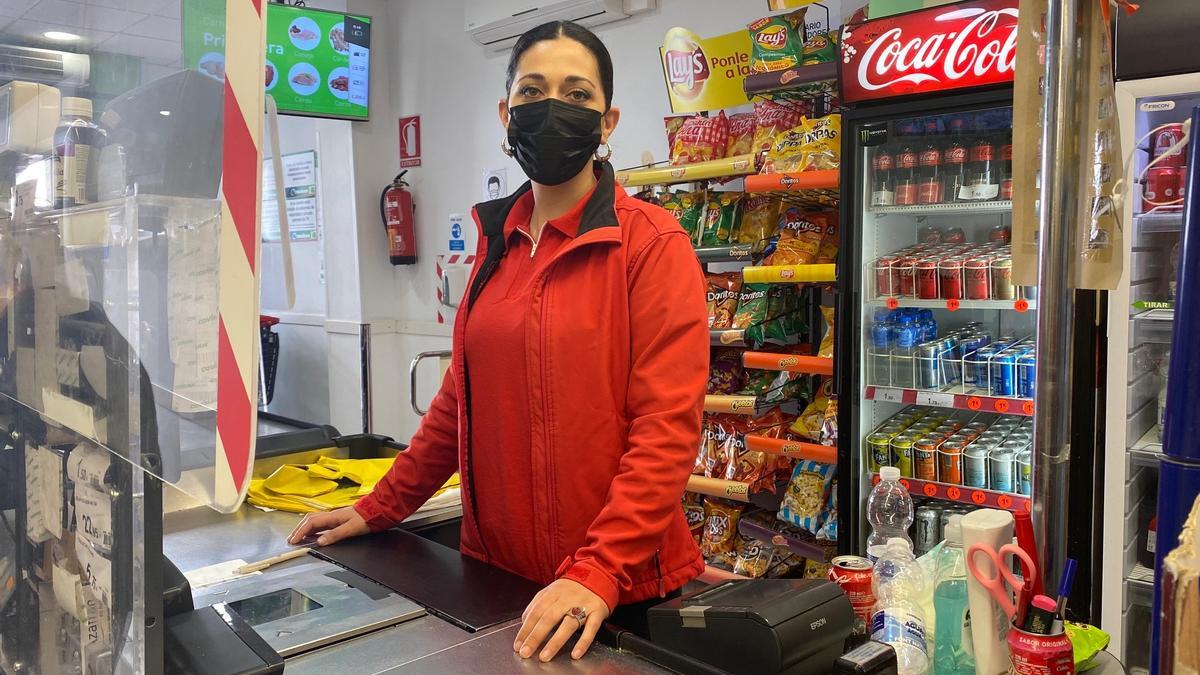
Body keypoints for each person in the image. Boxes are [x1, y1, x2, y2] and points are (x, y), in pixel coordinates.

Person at [288, 20, 708, 662]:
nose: (553, 110)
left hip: (619, 592)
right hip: (497, 579)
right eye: (534, 92)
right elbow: (459, 401)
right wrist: (379, 507)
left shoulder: (651, 245)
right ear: (505, 112)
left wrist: (596, 569)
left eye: (576, 95)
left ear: (609, 120)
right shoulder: (495, 243)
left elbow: (666, 430)